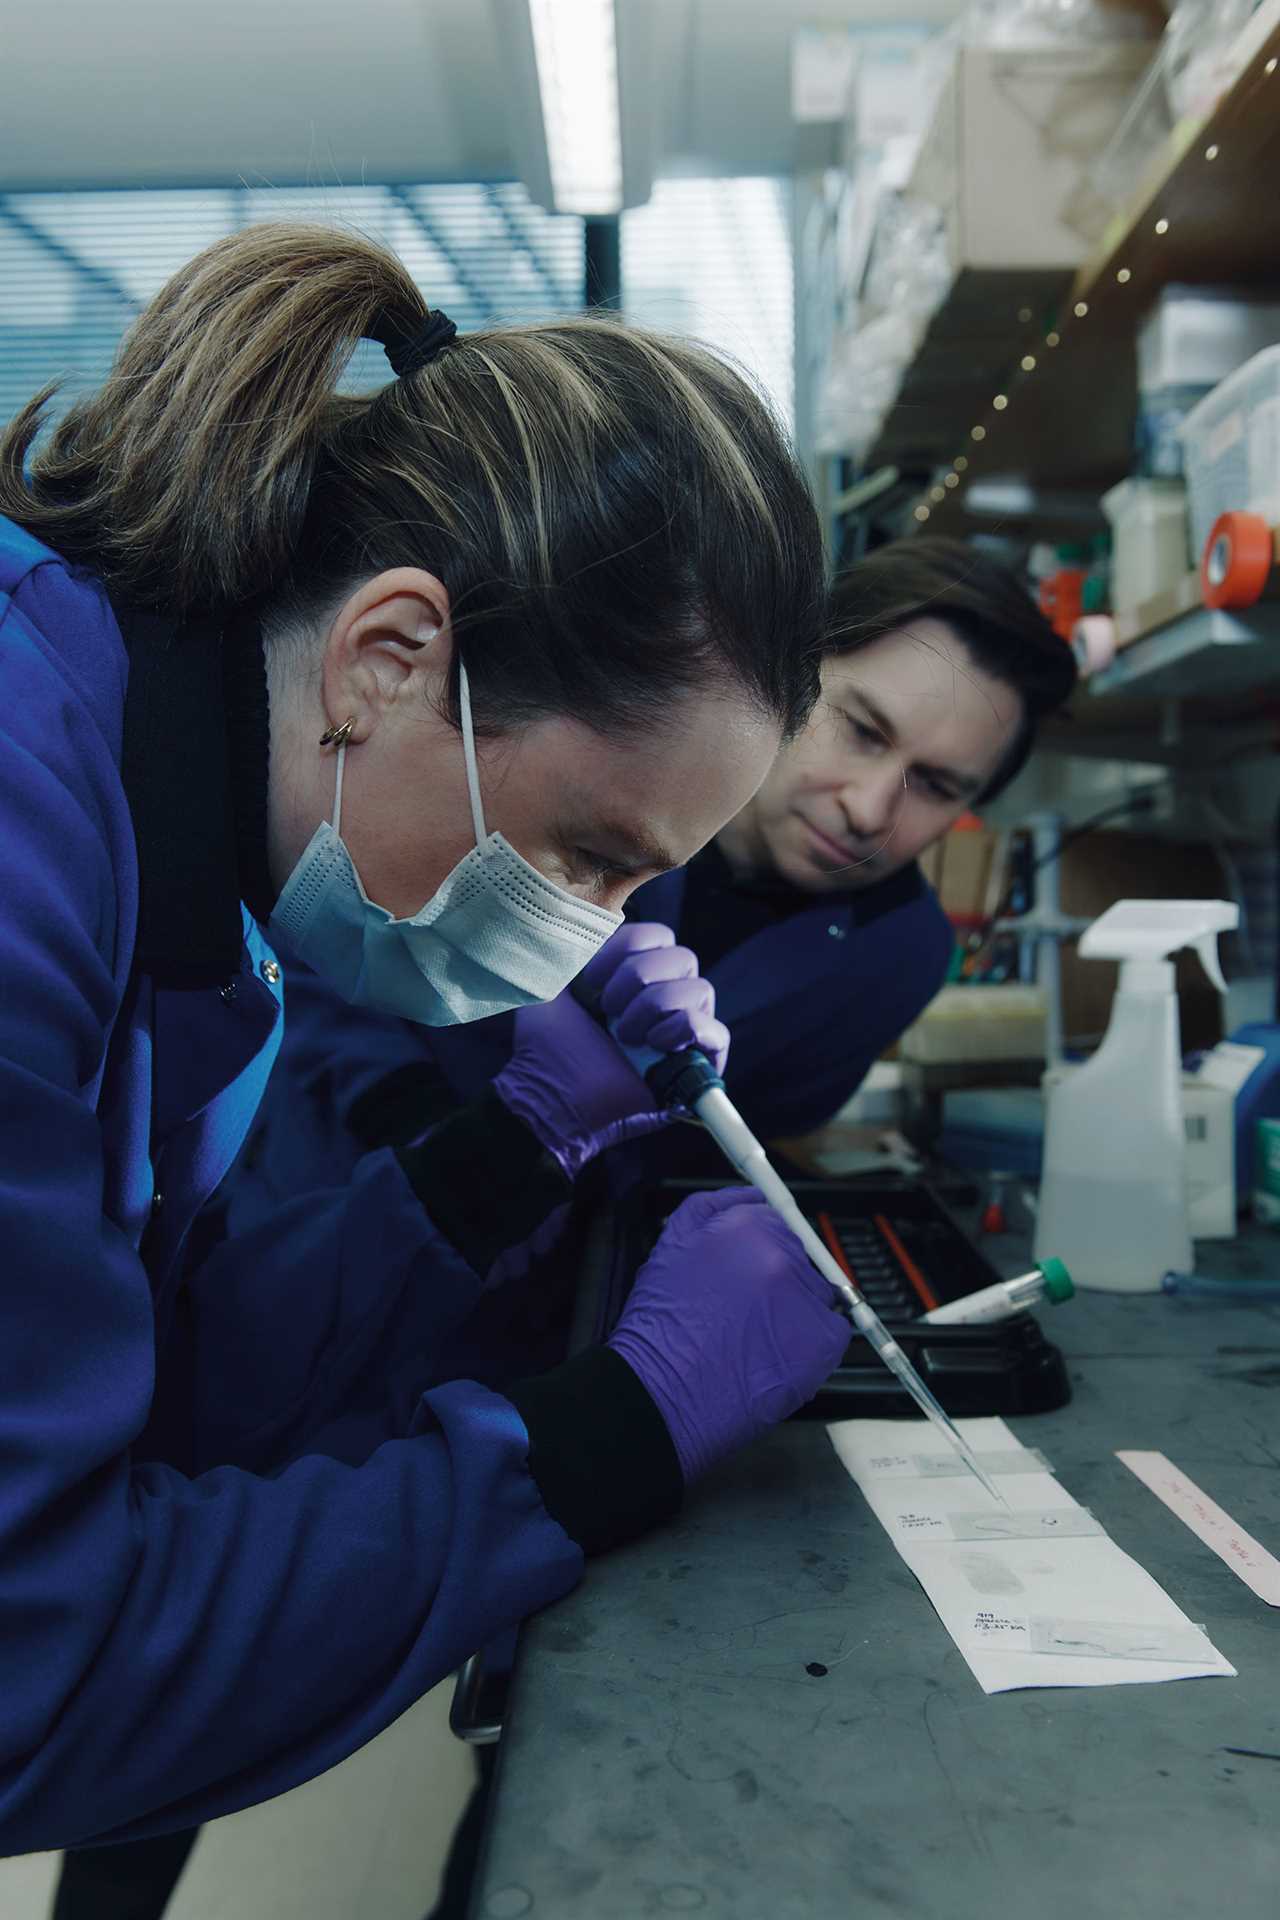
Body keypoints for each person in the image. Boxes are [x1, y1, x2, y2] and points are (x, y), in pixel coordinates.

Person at [0, 220, 858, 1899]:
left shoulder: (188, 864)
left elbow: (152, 1400)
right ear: (390, 659)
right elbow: (30, 1667)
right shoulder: (25, 841)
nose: (599, 930)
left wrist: (520, 1145)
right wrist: (605, 1434)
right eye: (591, 851)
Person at [245, 537, 1079, 1201]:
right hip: (319, 1177)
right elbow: (318, 941)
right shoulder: (604, 753)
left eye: (933, 786)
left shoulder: (896, 956)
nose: (869, 807)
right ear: (796, 670)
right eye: (862, 728)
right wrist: (414, 1117)